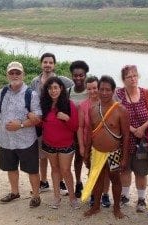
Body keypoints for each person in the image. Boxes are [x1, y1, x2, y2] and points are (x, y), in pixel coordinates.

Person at [82, 75, 130, 219]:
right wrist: (86, 153)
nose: (104, 92)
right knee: (96, 179)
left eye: (107, 90)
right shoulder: (93, 109)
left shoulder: (121, 110)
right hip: (96, 152)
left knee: (115, 179)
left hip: (114, 153)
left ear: (113, 90)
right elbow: (90, 133)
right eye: (101, 89)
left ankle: (116, 208)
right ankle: (95, 206)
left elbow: (126, 136)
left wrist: (124, 157)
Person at [0, 61, 42, 208]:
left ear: (23, 75)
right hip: (6, 139)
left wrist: (20, 125)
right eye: (12, 73)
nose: (14, 75)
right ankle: (14, 192)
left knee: (32, 170)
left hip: (26, 140)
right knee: (10, 167)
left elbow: (37, 117)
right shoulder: (2, 92)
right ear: (7, 75)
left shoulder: (30, 94)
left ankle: (36, 196)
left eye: (18, 73)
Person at [30, 52, 73, 195]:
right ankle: (44, 182)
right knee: (42, 155)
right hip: (40, 123)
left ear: (54, 65)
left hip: (56, 122)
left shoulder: (62, 80)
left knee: (58, 154)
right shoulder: (35, 81)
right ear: (41, 63)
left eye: (50, 62)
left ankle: (60, 183)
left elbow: (74, 88)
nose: (47, 65)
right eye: (45, 62)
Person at [115, 65, 148, 212]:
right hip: (124, 140)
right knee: (124, 169)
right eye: (129, 77)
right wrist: (132, 129)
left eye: (135, 76)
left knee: (141, 171)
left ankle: (141, 199)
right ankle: (125, 196)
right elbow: (114, 115)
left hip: (142, 140)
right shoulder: (118, 94)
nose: (133, 79)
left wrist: (143, 128)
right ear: (123, 79)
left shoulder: (146, 93)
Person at [40, 76, 80, 209]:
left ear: (61, 88)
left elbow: (75, 127)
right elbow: (40, 123)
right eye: (50, 88)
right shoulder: (44, 104)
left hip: (66, 145)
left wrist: (67, 118)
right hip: (49, 143)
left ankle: (72, 197)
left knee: (66, 170)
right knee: (55, 169)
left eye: (55, 87)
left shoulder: (69, 104)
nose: (53, 91)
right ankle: (56, 197)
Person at [77, 76, 112, 207]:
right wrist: (81, 146)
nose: (92, 91)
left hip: (107, 143)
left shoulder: (108, 104)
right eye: (89, 89)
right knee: (92, 170)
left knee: (107, 170)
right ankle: (93, 193)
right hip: (89, 144)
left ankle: (105, 194)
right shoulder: (83, 106)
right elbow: (80, 127)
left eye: (95, 88)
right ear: (86, 90)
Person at [68, 60, 89, 199]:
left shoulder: (92, 90)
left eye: (81, 75)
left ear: (85, 75)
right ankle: (78, 183)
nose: (78, 78)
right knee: (77, 159)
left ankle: (92, 185)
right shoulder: (68, 91)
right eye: (75, 75)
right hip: (74, 132)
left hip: (89, 131)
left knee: (90, 159)